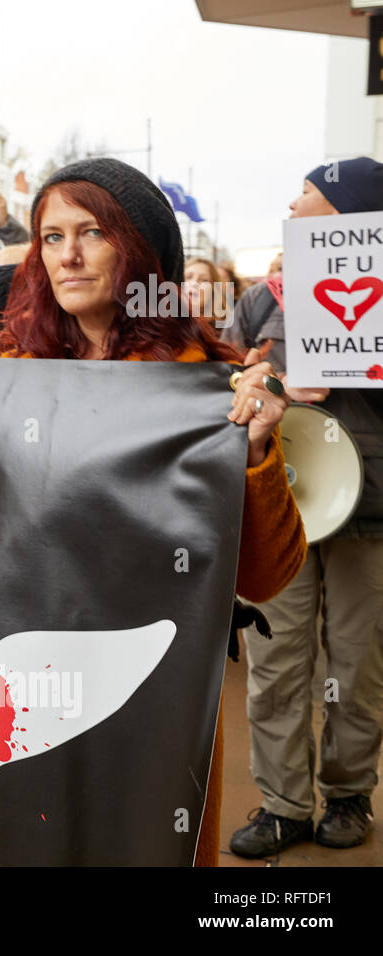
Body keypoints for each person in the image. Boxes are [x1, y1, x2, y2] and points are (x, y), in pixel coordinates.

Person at [0, 158, 307, 867]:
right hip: (19, 688)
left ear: (139, 251)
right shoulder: (6, 372)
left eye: (92, 233)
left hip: (145, 693)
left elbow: (264, 577)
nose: (67, 254)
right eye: (50, 236)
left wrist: (254, 454)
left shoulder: (207, 389)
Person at [220, 156, 383, 857]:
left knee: (355, 664)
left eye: (307, 195)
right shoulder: (263, 299)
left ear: (348, 214)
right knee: (277, 659)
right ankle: (284, 803)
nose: (291, 204)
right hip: (278, 499)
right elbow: (217, 376)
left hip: (367, 506)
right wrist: (251, 374)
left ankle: (349, 794)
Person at [183, 257, 231, 329]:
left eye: (204, 280)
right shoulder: (165, 325)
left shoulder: (224, 331)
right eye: (189, 277)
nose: (194, 283)